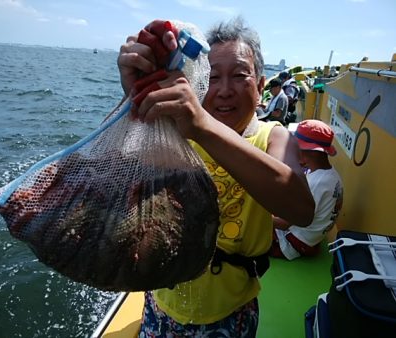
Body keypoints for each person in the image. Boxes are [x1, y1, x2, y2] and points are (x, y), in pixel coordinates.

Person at [117, 17, 314, 337]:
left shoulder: (272, 137)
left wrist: (203, 128)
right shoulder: (179, 132)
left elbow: (301, 211)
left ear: (261, 85)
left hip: (229, 314)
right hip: (160, 304)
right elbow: (123, 170)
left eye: (239, 75)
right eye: (212, 78)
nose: (224, 91)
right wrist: (136, 94)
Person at [270, 119, 344, 260]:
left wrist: (258, 216)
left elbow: (285, 224)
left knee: (249, 232)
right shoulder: (331, 175)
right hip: (313, 238)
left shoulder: (317, 183)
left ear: (308, 151)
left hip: (295, 242)